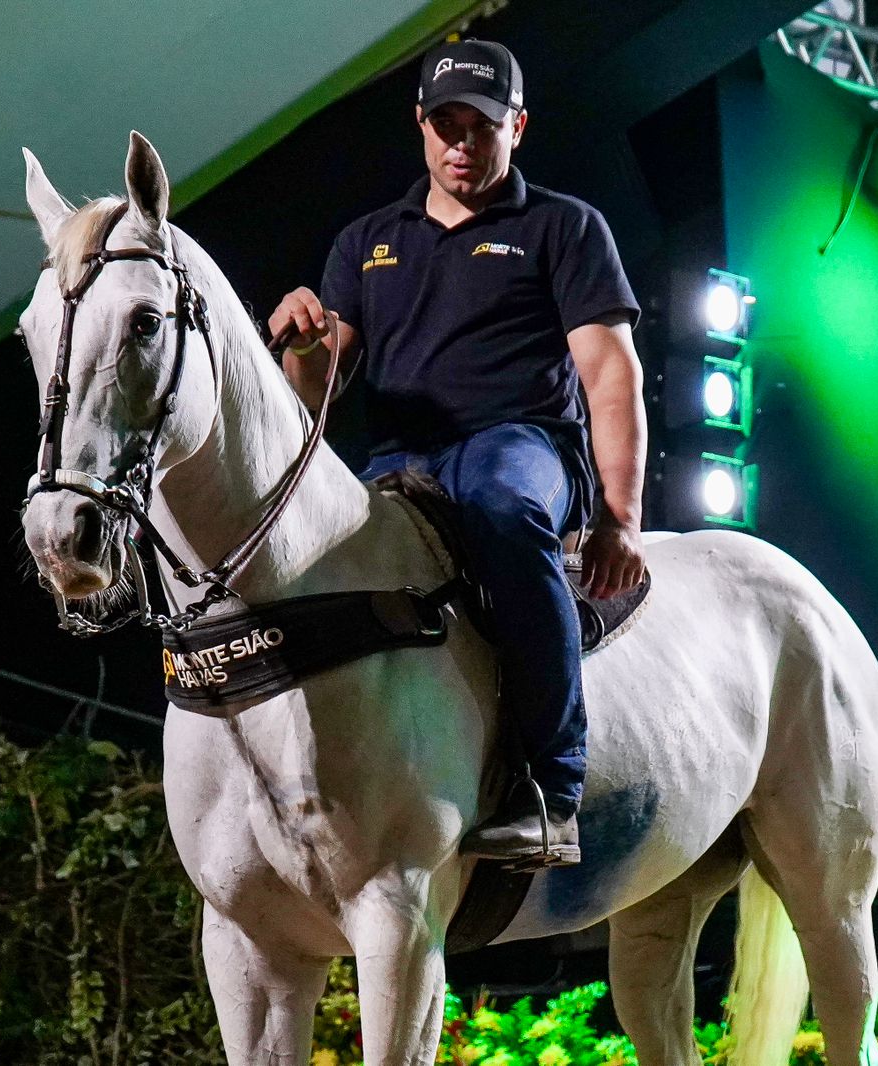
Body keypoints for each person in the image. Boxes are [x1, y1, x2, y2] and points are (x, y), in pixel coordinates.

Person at [271, 38, 648, 868]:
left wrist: (622, 519)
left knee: (503, 509)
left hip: (520, 442)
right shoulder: (367, 241)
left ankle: (553, 792)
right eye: (446, 125)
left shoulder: (562, 226)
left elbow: (610, 378)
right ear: (421, 125)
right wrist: (302, 342)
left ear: (517, 126)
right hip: (401, 458)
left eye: (480, 127)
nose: (461, 145)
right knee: (315, 557)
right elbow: (316, 398)